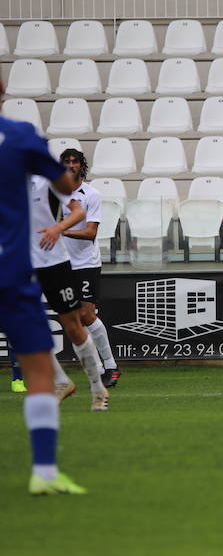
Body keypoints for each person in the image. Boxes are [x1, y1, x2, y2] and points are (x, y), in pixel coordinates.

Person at [1, 78, 86, 494]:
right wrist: (64, 180)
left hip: (29, 264)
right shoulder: (19, 137)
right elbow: (66, 184)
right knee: (39, 373)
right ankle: (45, 474)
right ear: (2, 89)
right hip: (13, 269)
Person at [30, 172, 111, 410]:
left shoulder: (45, 180)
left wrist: (58, 228)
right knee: (19, 321)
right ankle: (60, 380)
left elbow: (78, 211)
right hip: (22, 262)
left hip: (53, 261)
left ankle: (97, 387)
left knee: (74, 324)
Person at [58, 149, 121, 389]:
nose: (71, 165)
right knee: (74, 319)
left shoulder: (90, 194)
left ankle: (111, 366)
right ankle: (101, 369)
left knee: (86, 315)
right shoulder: (56, 193)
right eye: (67, 162)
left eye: (75, 162)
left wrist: (61, 230)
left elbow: (91, 233)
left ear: (82, 166)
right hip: (63, 264)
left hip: (86, 263)